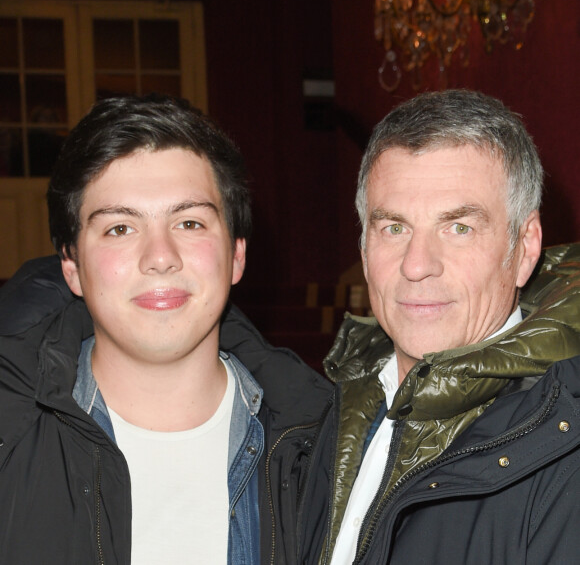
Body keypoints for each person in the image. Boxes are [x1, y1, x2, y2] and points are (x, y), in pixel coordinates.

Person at [0, 94, 332, 564]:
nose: (160, 256)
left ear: (236, 255)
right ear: (71, 266)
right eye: (120, 228)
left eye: (190, 222)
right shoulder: (9, 437)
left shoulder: (324, 448)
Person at [316, 89, 580, 564]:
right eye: (393, 228)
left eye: (459, 227)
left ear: (525, 248)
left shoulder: (565, 452)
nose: (416, 265)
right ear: (362, 249)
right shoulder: (322, 413)